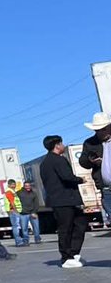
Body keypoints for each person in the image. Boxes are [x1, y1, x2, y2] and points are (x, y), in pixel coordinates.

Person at [41, 134, 87, 268]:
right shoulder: (57, 160)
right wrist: (81, 179)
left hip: (64, 200)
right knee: (65, 228)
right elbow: (67, 177)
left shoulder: (45, 162)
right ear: (57, 145)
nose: (64, 145)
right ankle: (66, 257)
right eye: (62, 143)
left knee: (80, 223)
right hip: (64, 200)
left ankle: (73, 253)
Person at [79, 112, 111, 229]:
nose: (99, 133)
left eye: (102, 130)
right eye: (97, 130)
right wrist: (91, 161)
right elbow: (83, 162)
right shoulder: (90, 143)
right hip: (106, 188)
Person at [4, 179, 26, 247]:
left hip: (16, 211)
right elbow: (12, 202)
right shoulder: (9, 192)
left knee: (17, 226)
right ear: (9, 185)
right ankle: (18, 242)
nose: (14, 186)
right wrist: (15, 210)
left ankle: (20, 241)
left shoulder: (13, 191)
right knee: (16, 227)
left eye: (14, 184)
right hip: (13, 211)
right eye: (12, 184)